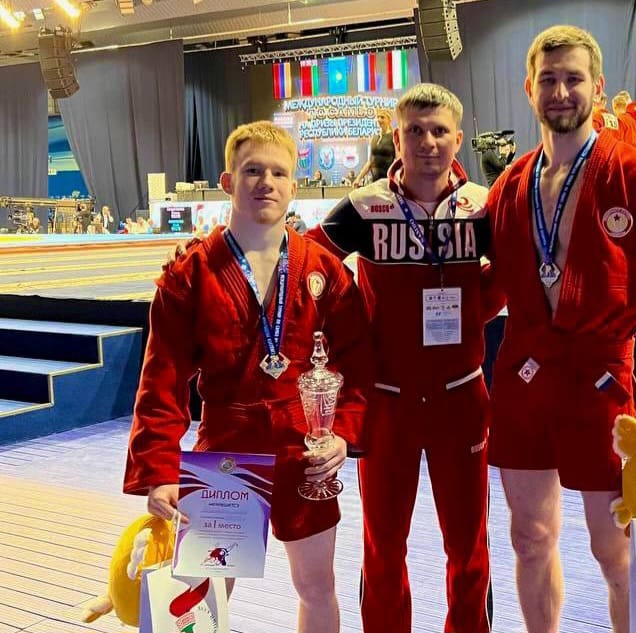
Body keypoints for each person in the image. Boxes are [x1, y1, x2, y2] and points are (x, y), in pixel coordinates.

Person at [485, 26, 636, 633]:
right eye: (548, 79)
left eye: (573, 79)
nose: (561, 91)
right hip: (526, 376)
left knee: (616, 548)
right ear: (529, 89)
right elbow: (486, 286)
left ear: (598, 89)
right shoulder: (510, 186)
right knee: (529, 537)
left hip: (601, 380)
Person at [123, 121, 370, 633]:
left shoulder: (323, 269)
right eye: (253, 170)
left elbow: (359, 360)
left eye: (278, 173)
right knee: (203, 593)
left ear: (294, 186)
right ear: (227, 180)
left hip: (304, 448)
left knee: (317, 586)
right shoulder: (191, 273)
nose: (266, 182)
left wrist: (343, 433)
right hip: (225, 447)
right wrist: (160, 469)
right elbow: (161, 379)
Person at [307, 83, 501, 633]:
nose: (427, 142)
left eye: (439, 131)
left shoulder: (483, 206)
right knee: (383, 545)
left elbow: (514, 271)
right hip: (387, 401)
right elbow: (308, 265)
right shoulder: (365, 206)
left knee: (469, 545)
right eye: (415, 130)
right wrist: (353, 326)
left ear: (457, 139)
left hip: (461, 396)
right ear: (397, 138)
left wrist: (473, 311)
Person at [353, 108, 396, 187]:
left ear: (389, 119)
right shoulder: (374, 138)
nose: (379, 120)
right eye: (378, 117)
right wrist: (358, 178)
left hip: (389, 182)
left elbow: (398, 160)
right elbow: (370, 162)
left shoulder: (394, 137)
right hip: (375, 181)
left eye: (382, 117)